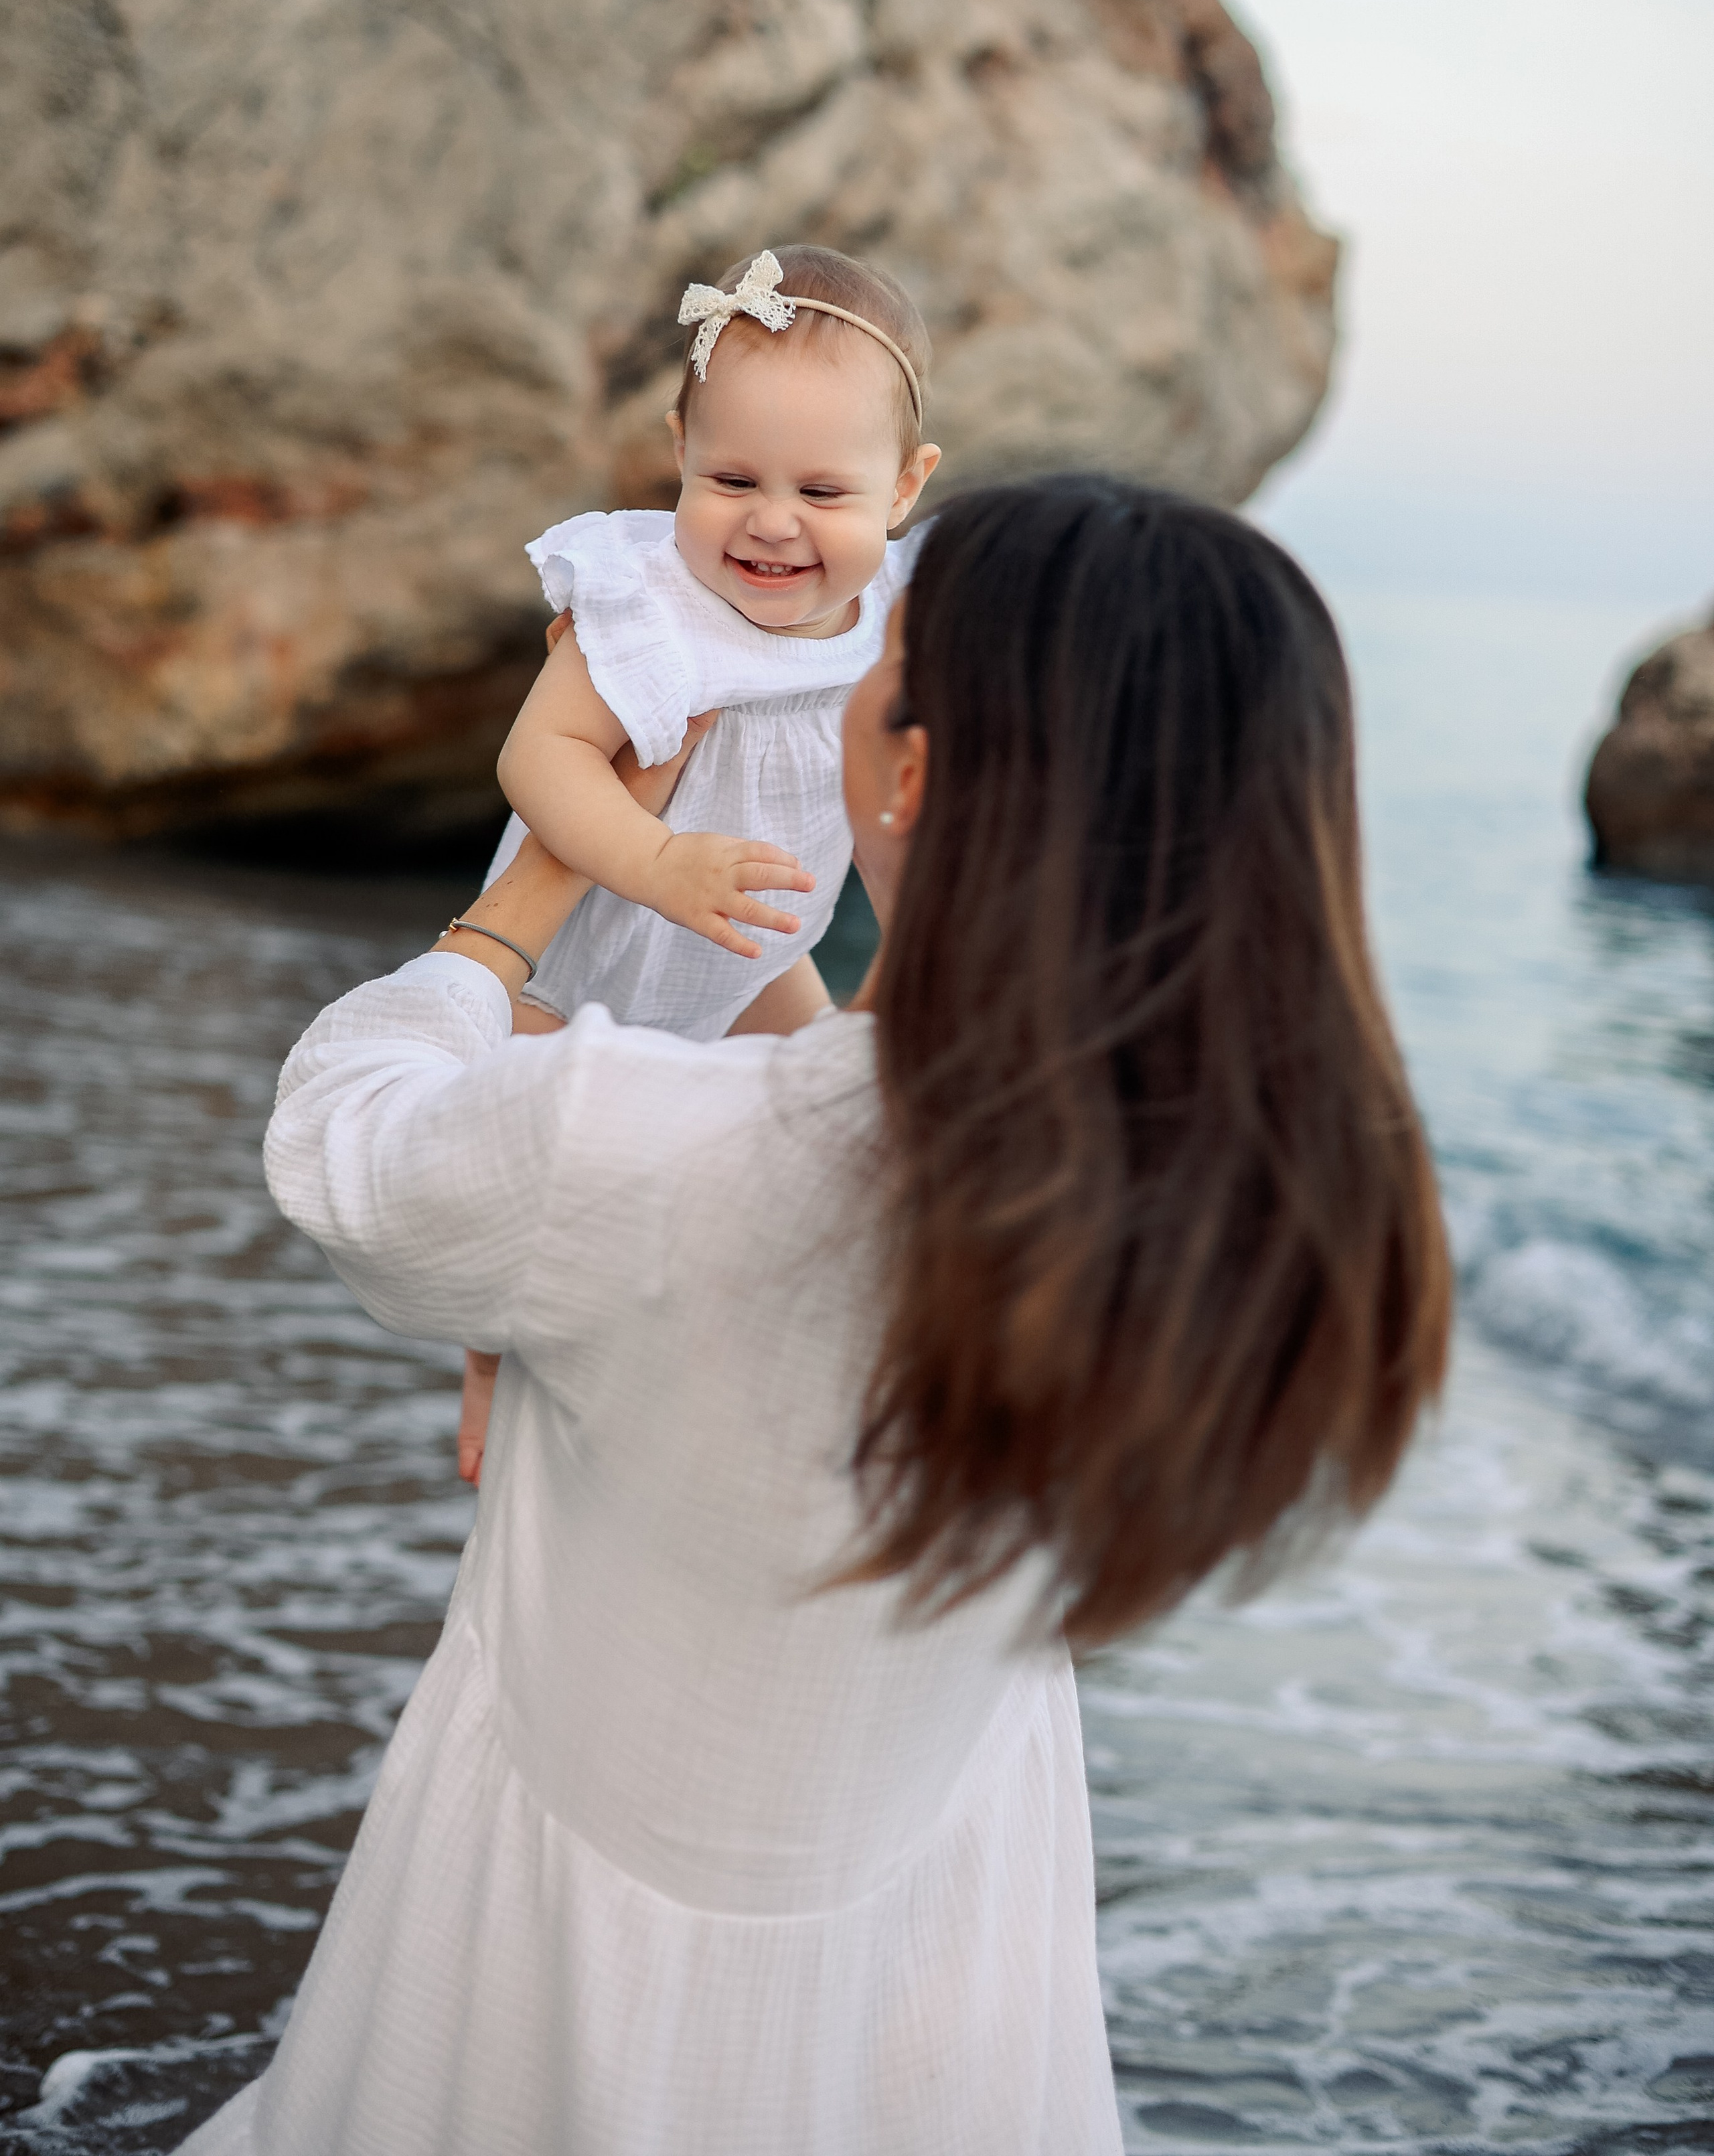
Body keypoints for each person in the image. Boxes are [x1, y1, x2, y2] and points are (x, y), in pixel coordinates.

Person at [177, 477, 1451, 2156]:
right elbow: (880, 1099)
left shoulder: (642, 1148)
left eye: (877, 653)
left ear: (908, 771)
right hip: (935, 1917)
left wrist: (527, 904)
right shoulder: (1228, 1209)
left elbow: (345, 1143)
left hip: (574, 1945)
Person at [457, 242, 939, 1482]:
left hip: (749, 959)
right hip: (566, 966)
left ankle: (845, 1373)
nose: (773, 522)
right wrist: (655, 859)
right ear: (678, 446)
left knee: (847, 1143)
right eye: (733, 476)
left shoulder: (894, 619)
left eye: (824, 494)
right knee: (532, 1199)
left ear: (904, 489)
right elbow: (542, 758)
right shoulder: (648, 606)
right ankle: (493, 1373)